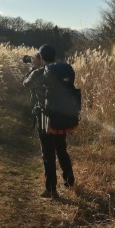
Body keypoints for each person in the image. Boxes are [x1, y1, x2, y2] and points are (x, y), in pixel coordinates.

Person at [22, 44, 76, 198]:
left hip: (45, 116)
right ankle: (70, 182)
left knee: (48, 152)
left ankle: (51, 189)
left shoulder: (39, 73)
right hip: (62, 115)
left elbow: (25, 84)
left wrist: (33, 66)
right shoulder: (65, 69)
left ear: (40, 57)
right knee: (61, 149)